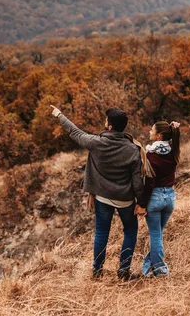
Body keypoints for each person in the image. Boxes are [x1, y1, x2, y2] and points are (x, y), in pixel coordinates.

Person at [51, 105, 148, 280]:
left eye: (106, 121)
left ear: (110, 126)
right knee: (130, 231)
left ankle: (97, 272)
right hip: (125, 199)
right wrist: (141, 202)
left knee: (101, 233)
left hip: (103, 197)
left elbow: (75, 132)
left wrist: (59, 115)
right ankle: (124, 271)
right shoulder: (133, 149)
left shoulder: (97, 143)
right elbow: (137, 182)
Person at [135, 121, 181, 277]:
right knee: (158, 235)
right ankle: (149, 268)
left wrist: (142, 204)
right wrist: (175, 130)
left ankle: (160, 269)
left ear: (159, 136)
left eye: (152, 130)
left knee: (155, 235)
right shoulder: (174, 151)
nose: (149, 131)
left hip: (155, 197)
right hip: (170, 198)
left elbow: (149, 182)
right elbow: (176, 139)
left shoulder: (151, 154)